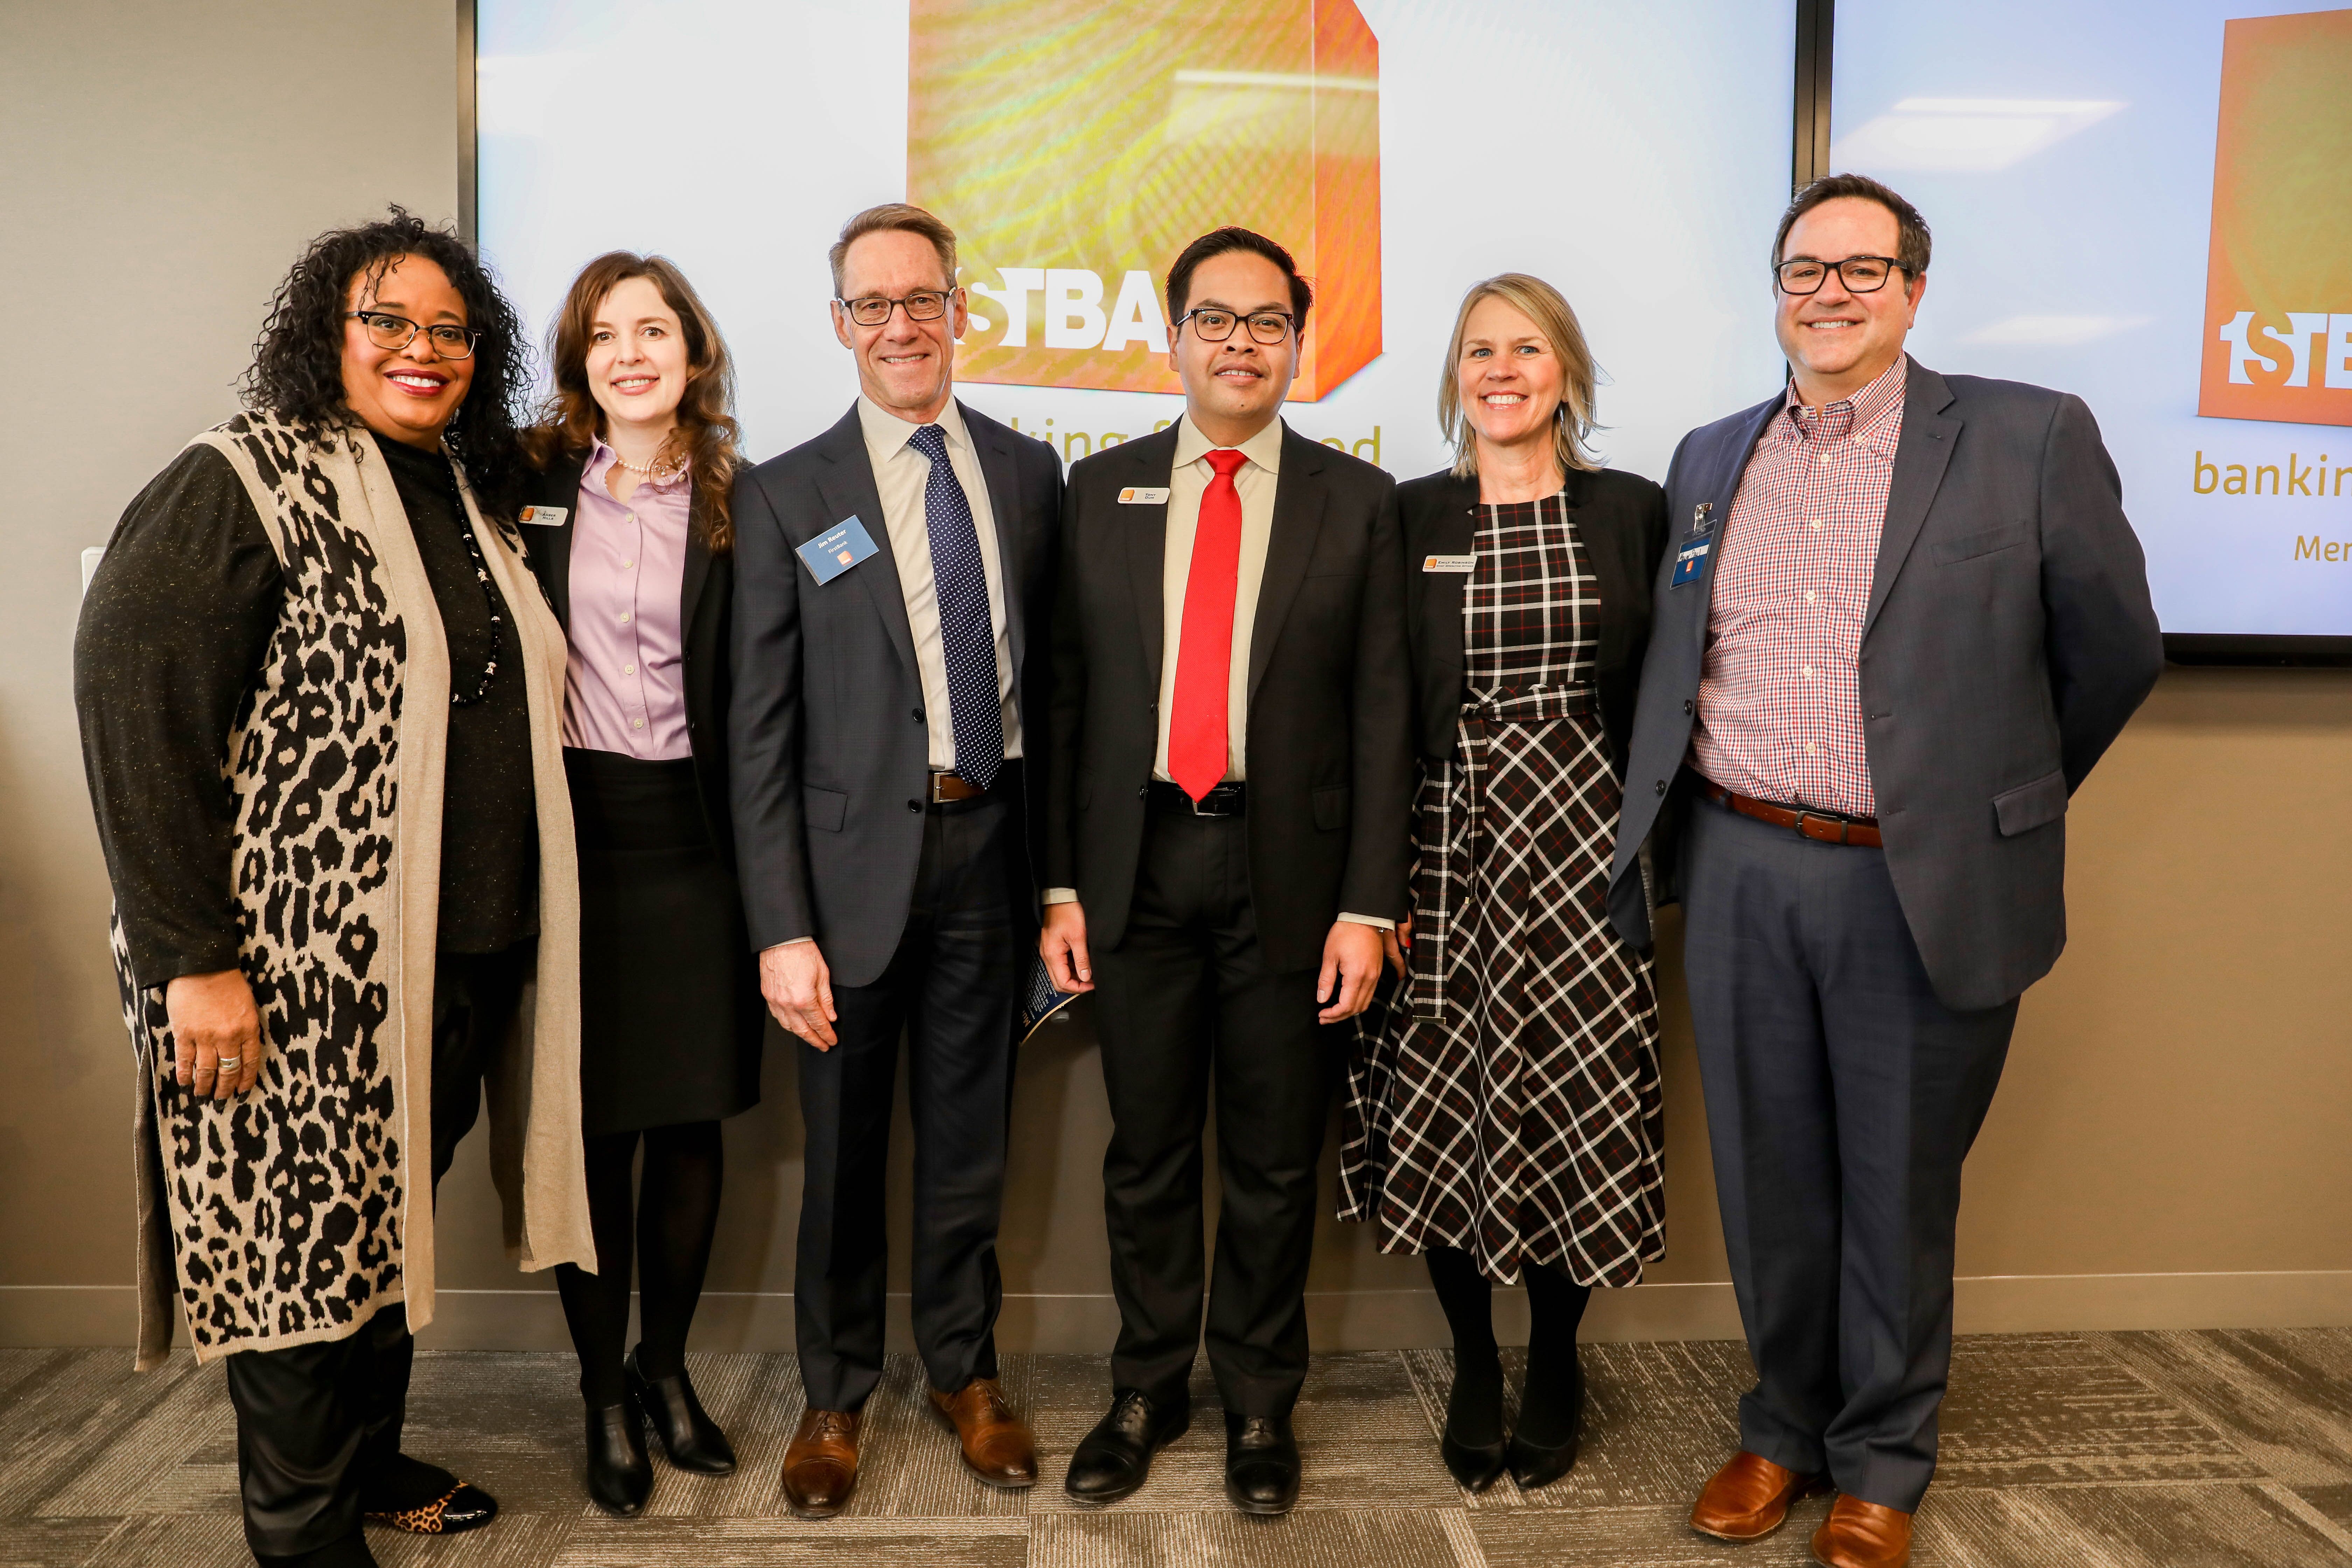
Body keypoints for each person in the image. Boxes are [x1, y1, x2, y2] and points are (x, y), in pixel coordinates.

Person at [1606, 174, 2163, 1568]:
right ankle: (1783, 1426)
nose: (1832, 293)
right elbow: (1684, 660)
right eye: (1806, 270)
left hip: (1913, 879)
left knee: (1900, 1185)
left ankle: (1883, 1457)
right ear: (1777, 291)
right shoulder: (1710, 455)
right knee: (1769, 1175)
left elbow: (2113, 649)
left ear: (1916, 288)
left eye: (1863, 269)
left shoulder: (2026, 437)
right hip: (1738, 861)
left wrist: (1979, 802)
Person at [73, 209, 594, 1568]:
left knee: (382, 1239)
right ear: (326, 332)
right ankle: (302, 1532)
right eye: (387, 322)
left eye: (449, 330)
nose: (421, 351)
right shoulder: (239, 479)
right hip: (286, 981)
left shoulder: (465, 497)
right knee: (304, 1256)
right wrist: (195, 959)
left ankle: (365, 1463)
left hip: (450, 966)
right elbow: (135, 711)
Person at [1040, 226, 1414, 1517]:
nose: (1240, 342)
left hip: (1292, 885)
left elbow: (1384, 720)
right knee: (1146, 1152)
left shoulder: (1358, 503)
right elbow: (1070, 706)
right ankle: (1147, 1385)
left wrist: (1371, 904)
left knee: (1270, 1160)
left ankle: (1260, 1399)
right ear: (1175, 336)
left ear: (1297, 344)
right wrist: (1058, 888)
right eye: (1216, 319)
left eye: (1267, 323)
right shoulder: (1104, 491)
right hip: (1135, 868)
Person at [729, 203, 1063, 1518]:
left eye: (921, 299)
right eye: (874, 305)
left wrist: (1055, 886)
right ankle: (833, 1395)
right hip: (846, 879)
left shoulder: (1032, 474)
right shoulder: (787, 489)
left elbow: (1065, 691)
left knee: (972, 1143)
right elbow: (757, 731)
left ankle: (966, 1375)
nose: (902, 325)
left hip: (992, 849)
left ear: (960, 309)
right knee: (846, 1153)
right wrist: (779, 925)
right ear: (839, 328)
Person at [1338, 274, 1671, 1494]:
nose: (1502, 368)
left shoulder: (1632, 510)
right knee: (1448, 1101)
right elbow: (1381, 707)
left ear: (1567, 372)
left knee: (1575, 1102)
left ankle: (1558, 1362)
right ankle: (1475, 1357)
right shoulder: (1408, 510)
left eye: (1527, 348)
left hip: (1586, 843)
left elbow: (1672, 692)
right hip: (1445, 842)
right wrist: (1380, 885)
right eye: (1479, 349)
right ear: (1454, 375)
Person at [518, 253, 765, 1516]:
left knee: (690, 1129)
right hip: (580, 842)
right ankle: (601, 1395)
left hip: (701, 844)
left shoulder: (740, 497)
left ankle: (666, 1372)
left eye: (653, 329)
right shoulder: (523, 484)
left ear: (693, 352)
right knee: (596, 1133)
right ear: (580, 363)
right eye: (605, 335)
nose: (631, 353)